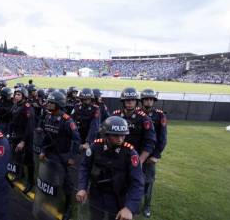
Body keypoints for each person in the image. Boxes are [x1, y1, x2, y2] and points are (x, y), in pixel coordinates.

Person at [77, 116, 144, 220]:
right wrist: (82, 188)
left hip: (118, 197)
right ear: (106, 135)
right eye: (116, 135)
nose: (120, 139)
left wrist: (129, 208)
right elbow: (84, 166)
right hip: (96, 194)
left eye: (123, 135)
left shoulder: (130, 153)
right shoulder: (96, 146)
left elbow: (138, 183)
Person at [39, 91, 80, 220]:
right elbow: (46, 137)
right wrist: (43, 151)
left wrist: (72, 157)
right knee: (50, 179)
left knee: (66, 183)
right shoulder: (48, 117)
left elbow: (76, 139)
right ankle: (51, 201)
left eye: (51, 103)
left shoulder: (67, 121)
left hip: (63, 156)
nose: (48, 104)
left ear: (58, 104)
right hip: (50, 155)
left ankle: (68, 207)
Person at [140, 88, 168, 218]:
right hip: (136, 153)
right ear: (142, 100)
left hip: (150, 155)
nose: (149, 101)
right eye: (146, 99)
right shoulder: (136, 113)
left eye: (151, 99)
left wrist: (156, 155)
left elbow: (162, 138)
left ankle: (146, 206)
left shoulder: (160, 115)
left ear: (154, 101)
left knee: (148, 181)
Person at [112, 87, 156, 164]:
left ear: (137, 102)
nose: (130, 103)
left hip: (137, 156)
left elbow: (149, 141)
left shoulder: (144, 119)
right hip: (116, 156)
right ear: (123, 101)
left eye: (133, 100)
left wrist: (140, 161)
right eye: (127, 100)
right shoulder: (115, 116)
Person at [9, 87, 35, 193]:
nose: (16, 96)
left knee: (29, 161)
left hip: (26, 138)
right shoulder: (16, 105)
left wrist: (23, 141)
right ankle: (20, 175)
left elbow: (29, 126)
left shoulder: (27, 107)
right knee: (18, 158)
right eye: (16, 94)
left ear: (24, 96)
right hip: (16, 136)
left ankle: (30, 182)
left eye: (19, 94)